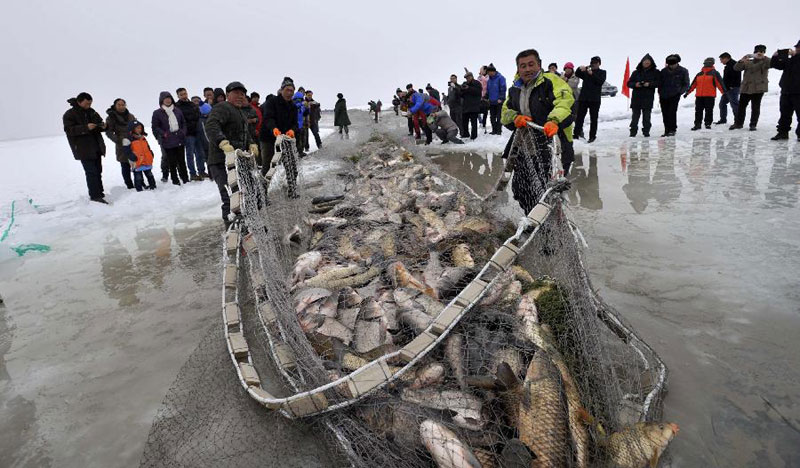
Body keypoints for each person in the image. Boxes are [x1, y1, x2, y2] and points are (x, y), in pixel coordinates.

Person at [500, 48, 575, 214]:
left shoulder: (551, 81)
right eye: (523, 66)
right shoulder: (514, 89)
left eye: (531, 64)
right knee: (521, 189)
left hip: (552, 146)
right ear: (518, 69)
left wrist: (554, 120)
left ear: (539, 65)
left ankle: (551, 226)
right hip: (524, 148)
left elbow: (566, 103)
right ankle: (532, 221)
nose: (527, 69)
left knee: (548, 193)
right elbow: (504, 113)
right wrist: (515, 118)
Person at [205, 81, 258, 224]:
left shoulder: (241, 112)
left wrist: (251, 143)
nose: (240, 96)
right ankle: (232, 232)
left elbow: (245, 133)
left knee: (248, 194)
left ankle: (249, 227)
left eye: (242, 94)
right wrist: (222, 142)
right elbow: (211, 125)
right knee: (230, 198)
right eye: (236, 93)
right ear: (228, 95)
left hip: (238, 161)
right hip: (221, 161)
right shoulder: (223, 107)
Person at [63, 92, 108, 204]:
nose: (89, 105)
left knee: (98, 171)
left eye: (90, 103)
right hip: (83, 148)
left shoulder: (92, 111)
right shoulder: (70, 114)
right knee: (91, 172)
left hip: (96, 146)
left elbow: (99, 123)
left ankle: (100, 192)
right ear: (79, 101)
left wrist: (103, 126)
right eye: (87, 103)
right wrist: (85, 127)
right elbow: (69, 130)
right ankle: (95, 196)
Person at [260, 77, 298, 173]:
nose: (289, 93)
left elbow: (295, 123)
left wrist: (292, 130)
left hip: (285, 138)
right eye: (287, 90)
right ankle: (264, 186)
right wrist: (273, 128)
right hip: (268, 137)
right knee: (268, 165)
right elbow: (268, 118)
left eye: (292, 91)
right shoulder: (272, 102)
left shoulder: (293, 106)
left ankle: (292, 185)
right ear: (281, 90)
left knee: (291, 164)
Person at [151, 91, 189, 185]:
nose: (168, 100)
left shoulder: (177, 110)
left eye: (169, 98)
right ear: (161, 101)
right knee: (171, 161)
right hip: (168, 140)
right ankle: (175, 180)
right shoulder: (157, 113)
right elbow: (155, 127)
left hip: (179, 138)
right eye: (165, 99)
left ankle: (185, 179)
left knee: (181, 161)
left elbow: (183, 122)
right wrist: (163, 134)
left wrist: (183, 132)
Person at [731, 45, 770, 131]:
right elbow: (736, 68)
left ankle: (753, 124)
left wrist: (764, 57)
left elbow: (772, 63)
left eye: (762, 52)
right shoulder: (748, 61)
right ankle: (738, 123)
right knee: (741, 107)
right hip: (746, 88)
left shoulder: (765, 62)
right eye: (757, 52)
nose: (759, 54)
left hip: (758, 88)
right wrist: (741, 60)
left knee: (755, 107)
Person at [684, 57, 726, 130]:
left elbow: (720, 84)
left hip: (710, 96)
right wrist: (687, 92)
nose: (707, 64)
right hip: (699, 96)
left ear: (712, 64)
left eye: (709, 62)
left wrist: (724, 93)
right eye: (706, 62)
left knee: (709, 111)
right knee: (698, 111)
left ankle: (708, 124)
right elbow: (693, 84)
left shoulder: (715, 73)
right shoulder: (699, 74)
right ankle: (697, 124)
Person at [770, 40, 800, 141]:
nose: (797, 49)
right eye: (797, 47)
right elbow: (777, 65)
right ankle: (782, 133)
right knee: (784, 114)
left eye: (799, 48)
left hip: (798, 93)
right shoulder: (791, 60)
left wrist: (794, 56)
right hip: (786, 91)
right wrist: (775, 56)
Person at [104, 98, 136, 189]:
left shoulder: (130, 116)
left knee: (136, 162)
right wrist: (118, 140)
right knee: (125, 164)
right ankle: (129, 185)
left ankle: (139, 181)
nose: (121, 107)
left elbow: (136, 126)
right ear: (115, 105)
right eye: (119, 105)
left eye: (123, 105)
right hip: (121, 144)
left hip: (134, 142)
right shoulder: (110, 117)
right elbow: (108, 132)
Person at [627, 54, 661, 137]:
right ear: (642, 62)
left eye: (648, 61)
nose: (646, 63)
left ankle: (646, 132)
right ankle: (633, 132)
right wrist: (636, 84)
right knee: (635, 117)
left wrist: (649, 84)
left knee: (646, 117)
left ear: (651, 63)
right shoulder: (636, 72)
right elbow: (629, 83)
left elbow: (659, 83)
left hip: (648, 98)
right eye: (645, 61)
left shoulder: (656, 72)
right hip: (636, 98)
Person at [574, 56, 607, 143]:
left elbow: (600, 81)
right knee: (580, 118)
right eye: (592, 63)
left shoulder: (602, 72)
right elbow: (577, 73)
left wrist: (592, 74)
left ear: (599, 63)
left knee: (594, 119)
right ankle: (576, 134)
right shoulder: (586, 72)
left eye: (596, 63)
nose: (594, 64)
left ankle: (592, 136)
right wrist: (580, 68)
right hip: (584, 99)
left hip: (595, 100)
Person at [175, 87, 204, 181]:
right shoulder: (177, 106)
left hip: (197, 132)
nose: (184, 96)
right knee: (190, 155)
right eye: (181, 94)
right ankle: (193, 174)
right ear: (178, 96)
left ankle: (202, 171)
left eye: (185, 93)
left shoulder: (192, 104)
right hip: (187, 134)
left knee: (200, 153)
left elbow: (198, 115)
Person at [659, 54, 690, 137]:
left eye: (673, 64)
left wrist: (680, 92)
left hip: (675, 95)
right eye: (670, 65)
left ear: (677, 63)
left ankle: (672, 129)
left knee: (672, 112)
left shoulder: (683, 71)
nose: (672, 66)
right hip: (663, 95)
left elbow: (686, 84)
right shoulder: (663, 71)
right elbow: (660, 83)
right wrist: (660, 92)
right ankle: (667, 130)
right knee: (665, 113)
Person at [122, 120, 157, 191]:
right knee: (138, 177)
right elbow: (126, 150)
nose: (139, 130)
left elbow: (147, 147)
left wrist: (151, 153)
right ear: (132, 129)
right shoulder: (127, 139)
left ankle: (153, 187)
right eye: (137, 128)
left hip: (146, 160)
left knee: (149, 174)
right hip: (137, 161)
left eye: (140, 128)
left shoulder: (142, 138)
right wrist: (132, 156)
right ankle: (139, 190)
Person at [717, 52, 741, 125]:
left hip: (733, 88)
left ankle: (738, 121)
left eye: (721, 60)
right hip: (727, 89)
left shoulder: (734, 64)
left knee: (734, 105)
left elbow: (736, 76)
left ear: (726, 58)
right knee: (722, 103)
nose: (721, 61)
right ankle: (723, 119)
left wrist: (732, 86)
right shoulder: (728, 65)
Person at [486, 64, 507, 135]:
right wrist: (487, 97)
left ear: (493, 71)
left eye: (489, 72)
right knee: (492, 117)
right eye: (488, 72)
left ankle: (499, 131)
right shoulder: (489, 80)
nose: (488, 74)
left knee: (499, 117)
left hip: (499, 101)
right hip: (491, 101)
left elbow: (503, 88)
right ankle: (493, 130)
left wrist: (501, 98)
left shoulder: (500, 78)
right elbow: (488, 90)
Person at [460, 71, 482, 140]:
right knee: (464, 122)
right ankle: (465, 135)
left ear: (472, 76)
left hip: (474, 106)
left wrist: (468, 88)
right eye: (466, 78)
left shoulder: (477, 83)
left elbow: (478, 92)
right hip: (466, 107)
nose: (467, 79)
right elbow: (461, 94)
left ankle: (474, 137)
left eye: (468, 77)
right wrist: (462, 89)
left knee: (474, 123)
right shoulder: (465, 84)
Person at [293, 87, 308, 156]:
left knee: (302, 139)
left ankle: (300, 152)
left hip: (301, 124)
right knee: (298, 140)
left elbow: (305, 113)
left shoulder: (302, 105)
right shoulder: (294, 105)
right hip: (296, 125)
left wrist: (307, 107)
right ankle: (298, 152)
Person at [477, 66, 490, 130]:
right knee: (477, 111)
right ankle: (481, 121)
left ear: (485, 70)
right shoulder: (479, 78)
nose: (480, 71)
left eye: (481, 70)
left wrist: (482, 77)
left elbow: (487, 82)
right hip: (479, 97)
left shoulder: (487, 77)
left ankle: (484, 123)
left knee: (485, 111)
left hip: (485, 97)